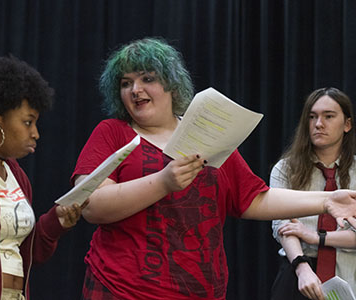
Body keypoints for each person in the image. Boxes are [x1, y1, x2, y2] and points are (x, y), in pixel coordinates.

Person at [71, 38, 356, 300]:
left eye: (148, 79)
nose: (135, 90)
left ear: (172, 84)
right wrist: (163, 182)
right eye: (125, 83)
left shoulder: (205, 134)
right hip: (123, 290)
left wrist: (326, 200)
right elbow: (90, 205)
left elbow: (254, 198)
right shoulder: (112, 132)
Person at [0, 56, 83, 300]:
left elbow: (24, 253)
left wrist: (56, 222)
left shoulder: (18, 176)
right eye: (27, 122)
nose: (35, 133)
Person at [270, 87, 356, 300]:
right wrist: (302, 268)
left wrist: (316, 237)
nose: (319, 124)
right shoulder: (285, 168)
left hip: (347, 274)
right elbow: (282, 225)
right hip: (298, 272)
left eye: (328, 116)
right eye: (312, 117)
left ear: (347, 125)